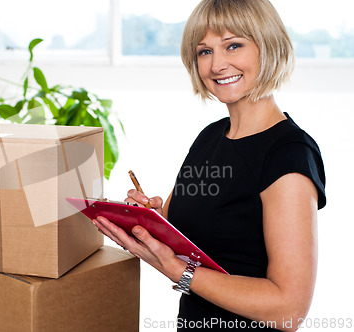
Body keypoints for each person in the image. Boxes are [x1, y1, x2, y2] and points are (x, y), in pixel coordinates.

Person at [91, 0, 326, 330]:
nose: (217, 65)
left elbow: (288, 309)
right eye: (205, 51)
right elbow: (184, 232)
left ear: (268, 46)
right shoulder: (210, 137)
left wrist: (179, 273)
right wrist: (147, 220)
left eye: (233, 45)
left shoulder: (288, 153)